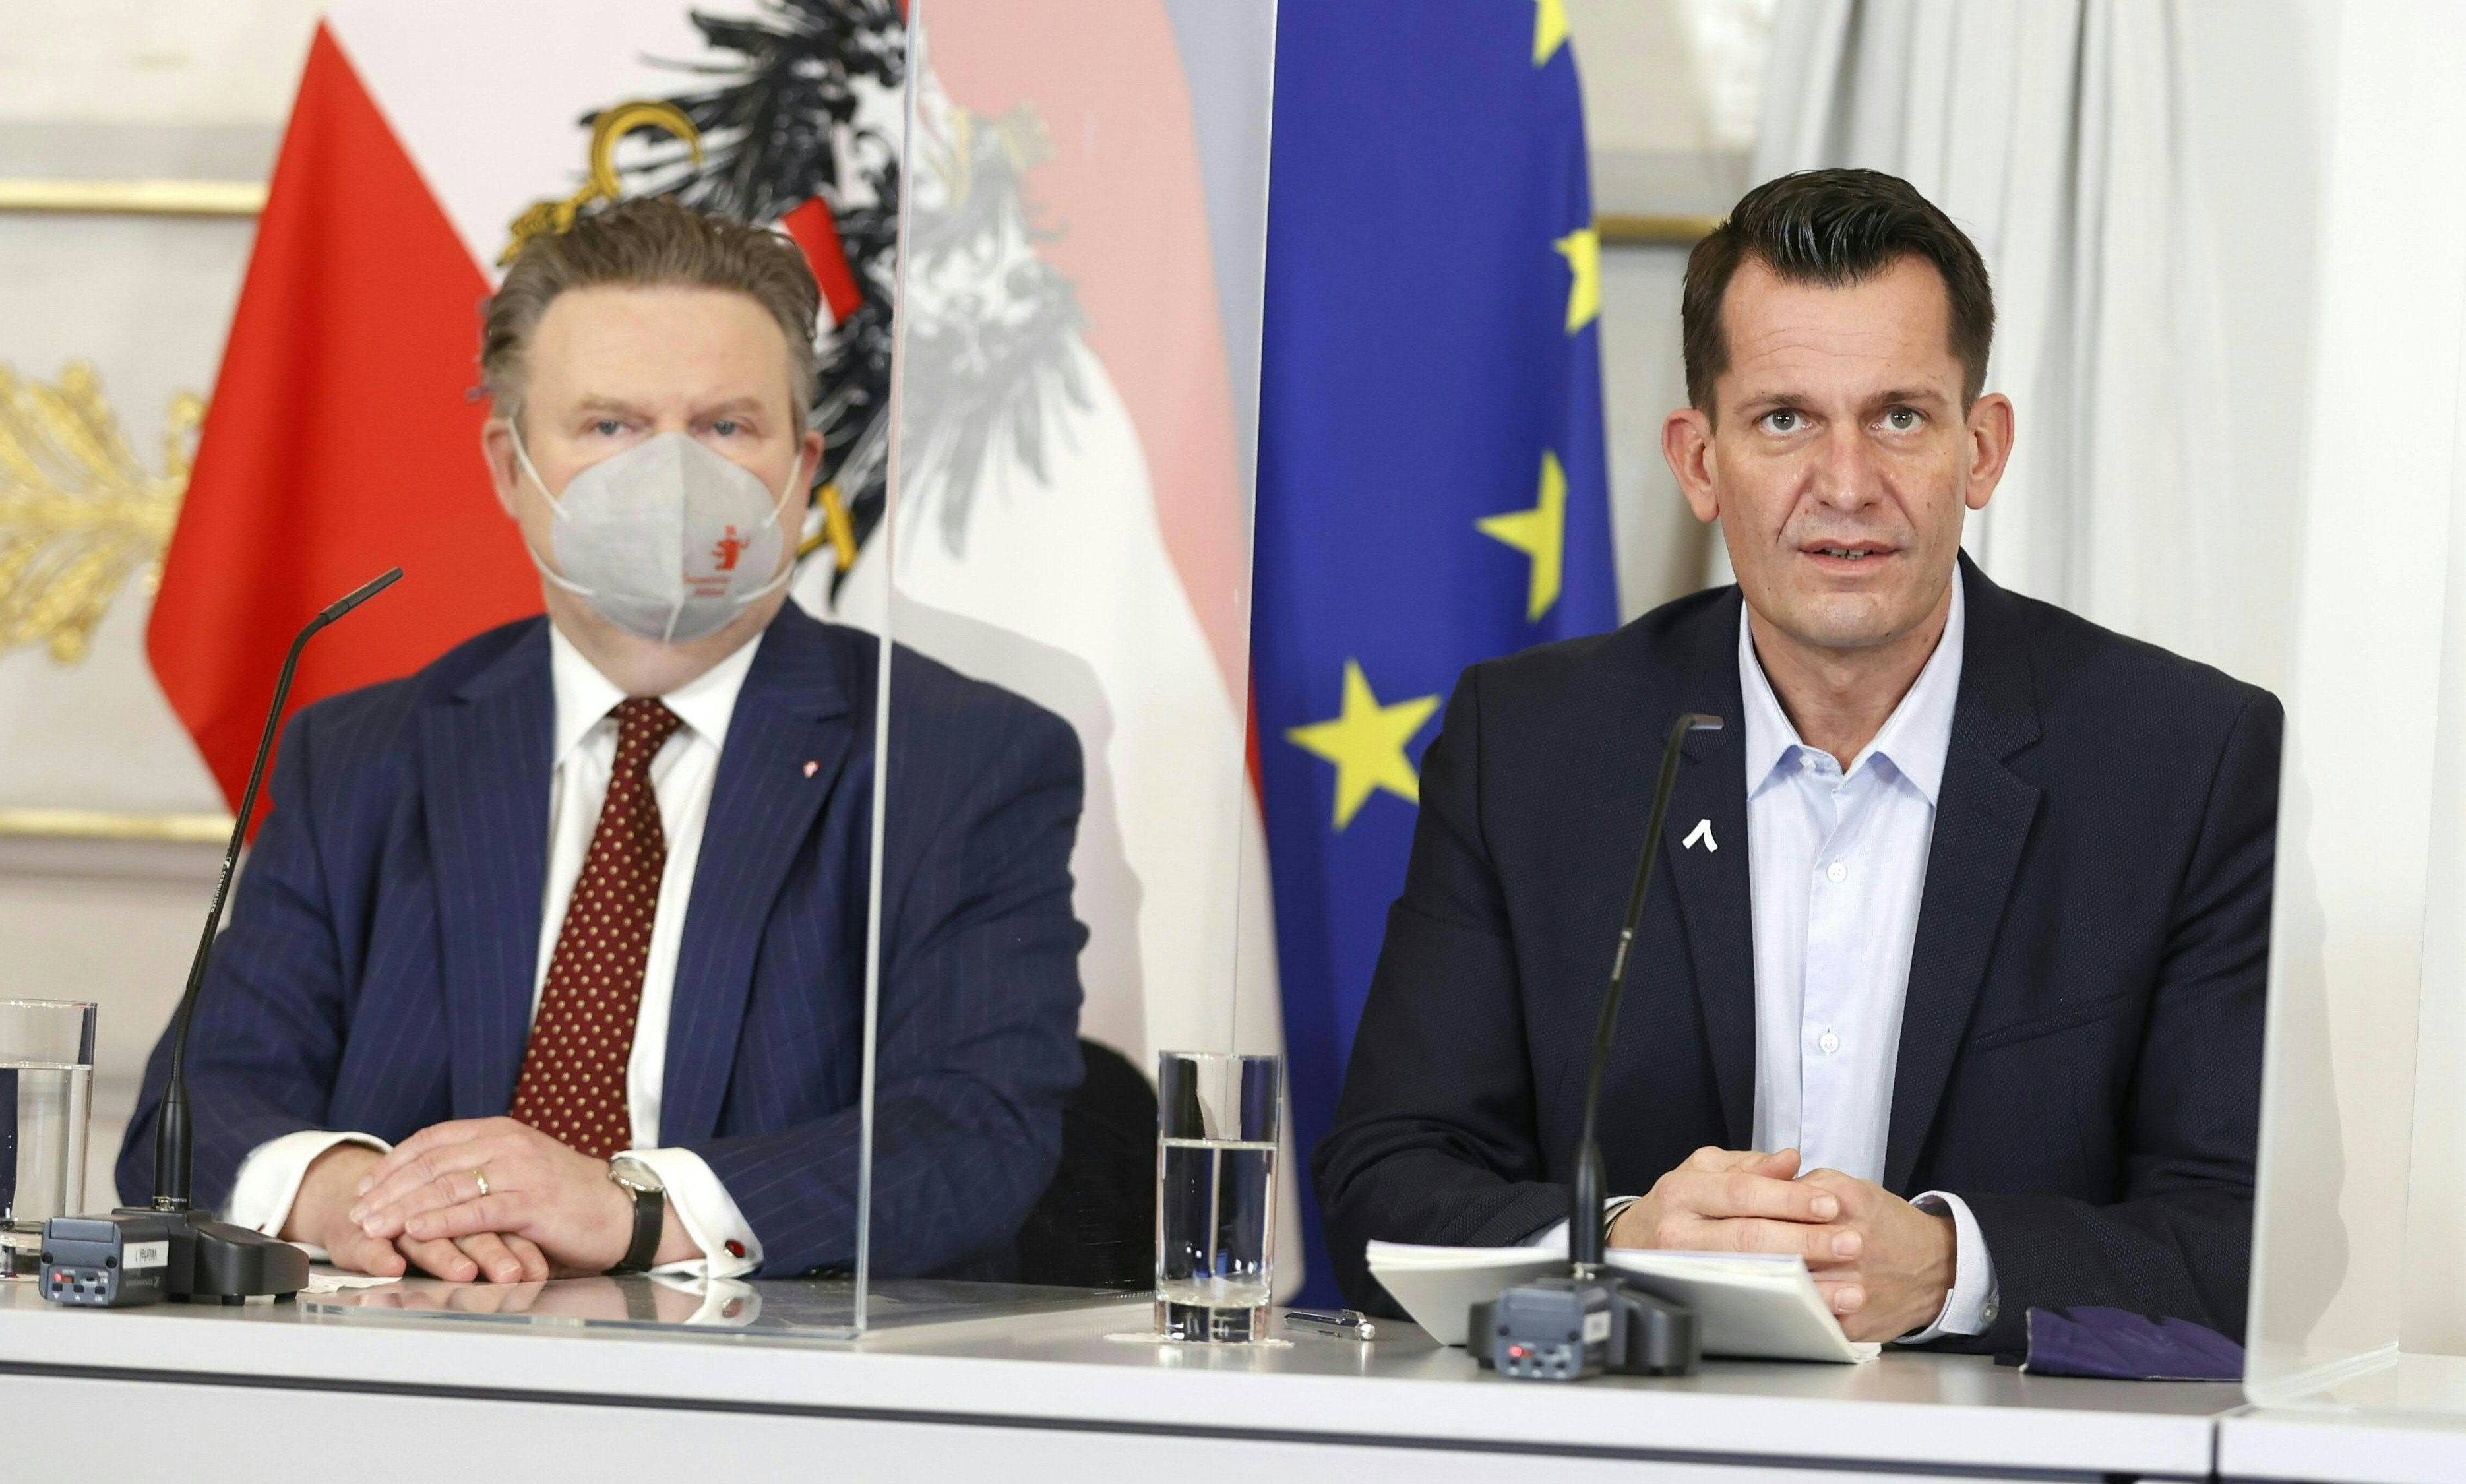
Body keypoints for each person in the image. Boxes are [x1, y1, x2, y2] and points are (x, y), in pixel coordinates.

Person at [1316, 168, 2278, 1350]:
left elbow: (2240, 1244)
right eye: (1784, 420)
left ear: (1983, 450)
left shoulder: (2182, 760)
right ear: (1699, 460)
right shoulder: (1530, 747)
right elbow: (1383, 1181)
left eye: (1900, 417)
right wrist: (1620, 1240)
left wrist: (1952, 1266)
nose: (1846, 484)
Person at [118, 199, 1087, 1285]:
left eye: (726, 426)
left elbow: (975, 1133)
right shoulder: (357, 756)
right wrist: (358, 1194)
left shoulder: (962, 761)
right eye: (611, 426)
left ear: (803, 466)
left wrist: (630, 1205)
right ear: (508, 466)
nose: (670, 476)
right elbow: (190, 1112)